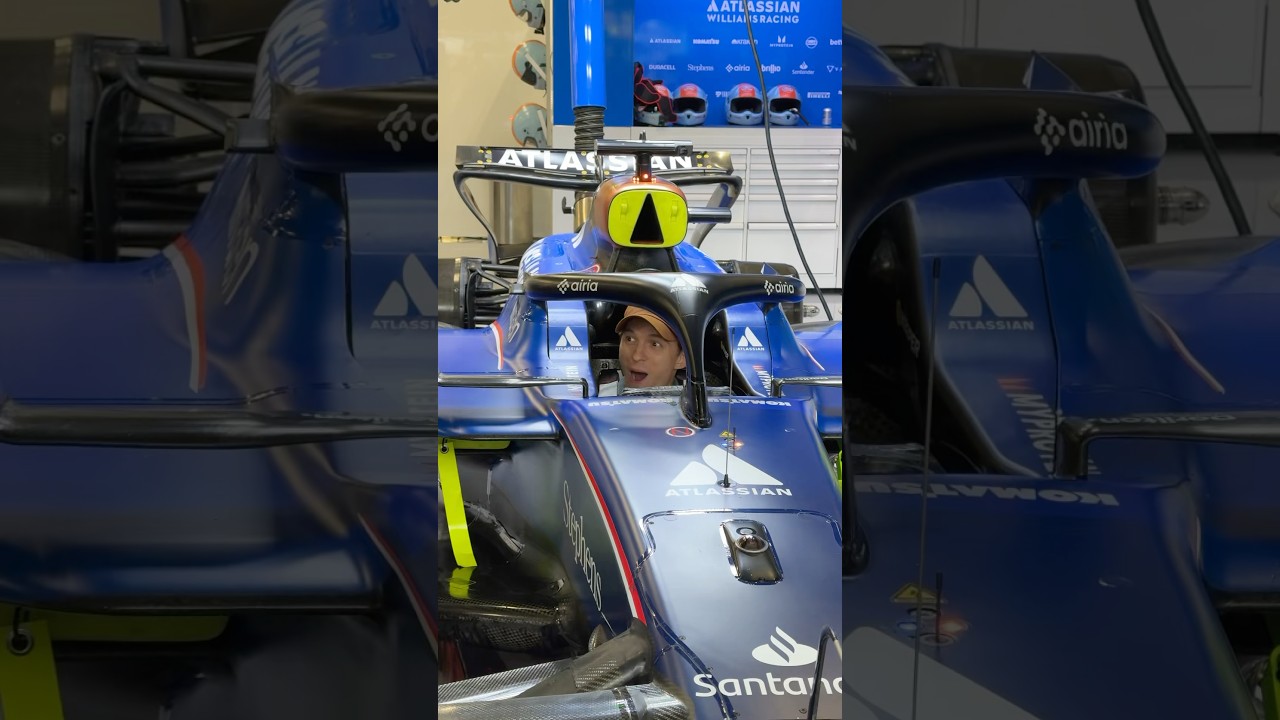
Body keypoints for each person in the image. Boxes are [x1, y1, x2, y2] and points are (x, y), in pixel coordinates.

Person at [598, 306, 686, 395]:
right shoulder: (599, 398)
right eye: (630, 339)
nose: (636, 356)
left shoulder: (693, 400)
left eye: (655, 344)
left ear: (682, 357)